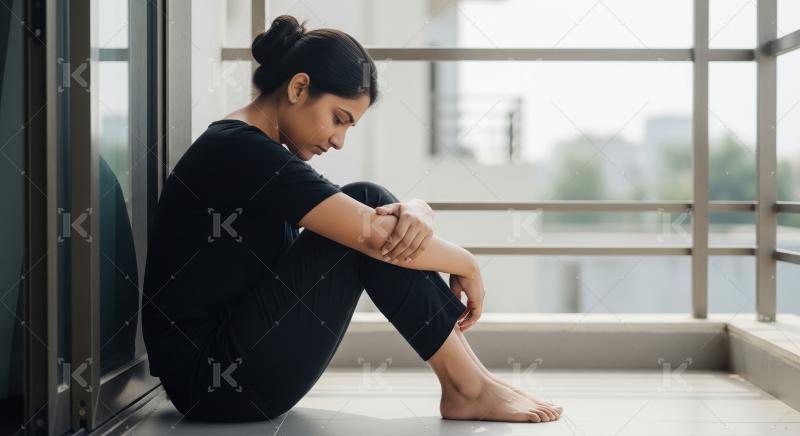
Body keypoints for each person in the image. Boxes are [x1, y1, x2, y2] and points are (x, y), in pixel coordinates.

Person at [142, 14, 562, 424]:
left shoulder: (253, 150)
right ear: (299, 88)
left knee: (367, 205)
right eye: (338, 119)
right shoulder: (241, 150)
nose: (339, 141)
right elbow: (368, 230)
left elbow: (362, 218)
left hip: (227, 367)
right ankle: (467, 387)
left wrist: (419, 207)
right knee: (366, 207)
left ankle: (473, 381)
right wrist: (466, 263)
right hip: (212, 382)